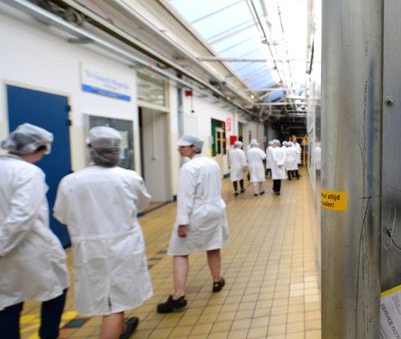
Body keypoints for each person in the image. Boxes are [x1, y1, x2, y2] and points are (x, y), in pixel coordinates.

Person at [54, 127, 152, 339]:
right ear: (118, 150)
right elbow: (142, 204)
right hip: (124, 247)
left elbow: (61, 215)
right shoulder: (129, 177)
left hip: (90, 250)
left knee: (108, 299)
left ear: (90, 149)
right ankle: (117, 327)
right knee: (115, 302)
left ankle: (120, 327)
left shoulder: (71, 181)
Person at [0, 124, 69, 339]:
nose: (43, 156)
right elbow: (22, 215)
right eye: (43, 151)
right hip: (31, 247)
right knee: (56, 290)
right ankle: (48, 334)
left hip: (7, 252)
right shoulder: (29, 172)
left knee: (7, 302)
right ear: (36, 147)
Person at [157, 134, 229, 313]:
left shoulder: (188, 168)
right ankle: (216, 280)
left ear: (193, 148)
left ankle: (178, 296)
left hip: (196, 213)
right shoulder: (212, 164)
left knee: (180, 251)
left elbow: (185, 197)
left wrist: (182, 222)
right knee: (213, 245)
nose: (179, 149)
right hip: (214, 210)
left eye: (183, 146)